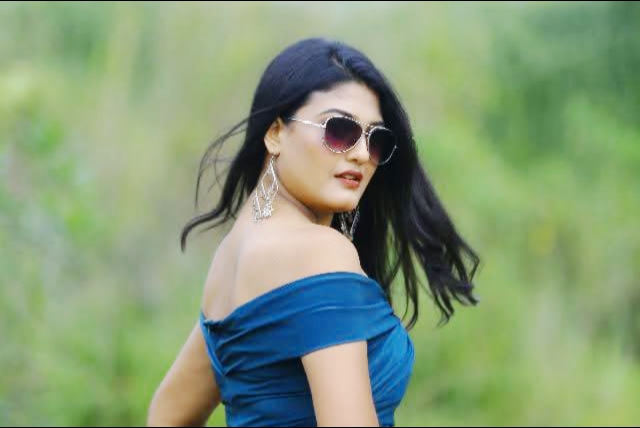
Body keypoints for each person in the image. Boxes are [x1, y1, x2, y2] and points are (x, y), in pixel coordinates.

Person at [146, 37, 480, 427]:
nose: (361, 153)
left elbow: (166, 416)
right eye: (339, 130)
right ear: (275, 133)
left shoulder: (231, 257)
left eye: (376, 140)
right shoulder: (320, 252)